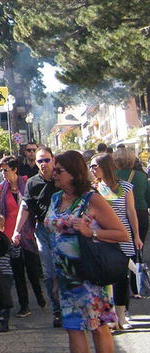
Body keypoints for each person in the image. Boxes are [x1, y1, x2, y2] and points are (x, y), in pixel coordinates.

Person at [46, 151, 129, 353]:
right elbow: (53, 237)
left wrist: (90, 231)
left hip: (90, 273)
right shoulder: (56, 198)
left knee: (98, 326)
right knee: (73, 327)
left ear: (74, 173)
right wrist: (56, 280)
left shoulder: (91, 199)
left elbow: (121, 234)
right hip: (67, 274)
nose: (54, 174)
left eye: (59, 171)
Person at [89, 153, 142, 330]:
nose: (92, 170)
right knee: (106, 275)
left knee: (122, 277)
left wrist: (136, 236)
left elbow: (131, 212)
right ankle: (109, 315)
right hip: (103, 237)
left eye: (95, 165)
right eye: (91, 166)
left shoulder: (125, 187)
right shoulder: (94, 189)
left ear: (106, 166)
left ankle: (122, 315)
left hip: (124, 236)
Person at [13, 146, 62, 327]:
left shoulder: (61, 179)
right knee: (49, 274)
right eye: (40, 160)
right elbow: (25, 207)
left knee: (63, 271)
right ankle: (57, 311)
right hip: (43, 231)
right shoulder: (32, 183)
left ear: (53, 160)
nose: (43, 164)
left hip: (63, 232)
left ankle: (68, 307)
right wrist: (16, 231)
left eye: (46, 160)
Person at [0, 156, 45, 318]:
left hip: (28, 232)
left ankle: (39, 296)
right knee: (17, 272)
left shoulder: (27, 184)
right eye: (1, 170)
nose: (3, 173)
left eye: (6, 170)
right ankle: (24, 306)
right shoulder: (1, 189)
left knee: (32, 270)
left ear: (15, 169)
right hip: (10, 234)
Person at [114, 148, 150, 246]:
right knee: (139, 245)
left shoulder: (112, 177)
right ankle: (139, 260)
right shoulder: (141, 176)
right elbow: (148, 197)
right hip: (141, 213)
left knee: (123, 247)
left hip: (120, 215)